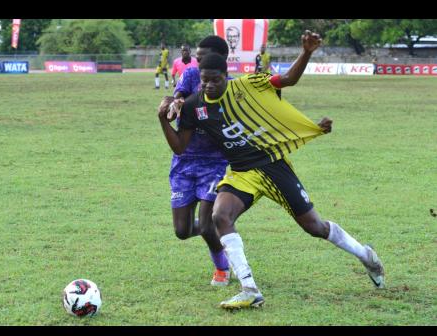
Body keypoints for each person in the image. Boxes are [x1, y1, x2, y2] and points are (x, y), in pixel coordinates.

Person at [158, 31, 385, 310]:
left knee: (314, 227)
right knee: (220, 215)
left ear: (226, 76)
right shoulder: (195, 105)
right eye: (204, 81)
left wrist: (307, 52)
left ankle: (366, 255)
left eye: (215, 80)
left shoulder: (248, 85)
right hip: (242, 172)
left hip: (272, 165)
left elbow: (287, 80)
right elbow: (180, 147)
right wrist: (163, 118)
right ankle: (249, 288)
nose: (209, 86)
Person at [166, 36, 232, 287]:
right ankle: (219, 232)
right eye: (197, 55)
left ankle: (222, 268)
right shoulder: (193, 74)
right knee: (182, 231)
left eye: (202, 56)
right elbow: (176, 99)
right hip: (184, 160)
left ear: (220, 59)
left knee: (206, 224)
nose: (197, 59)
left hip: (214, 162)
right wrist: (172, 106)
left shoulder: (230, 87)